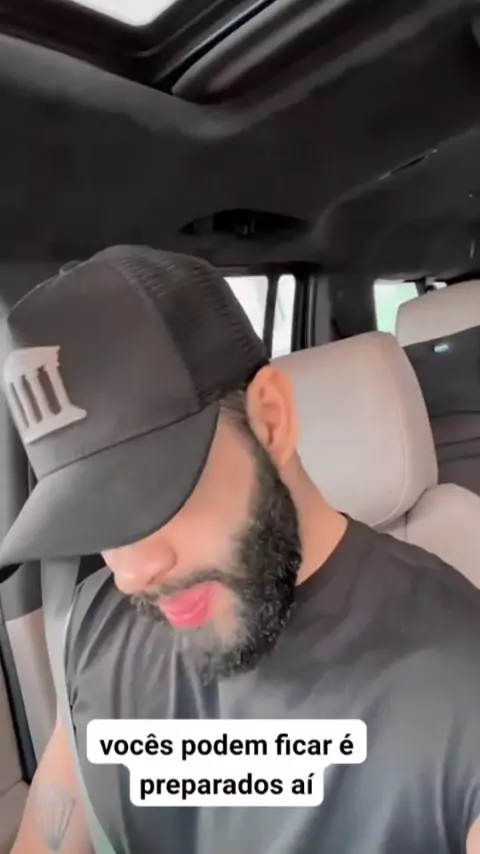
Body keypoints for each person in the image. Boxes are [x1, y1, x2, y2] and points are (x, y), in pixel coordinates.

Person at [1, 245, 480, 854]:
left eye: (154, 492)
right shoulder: (98, 626)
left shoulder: (460, 678)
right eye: (90, 519)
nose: (130, 572)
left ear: (271, 420)